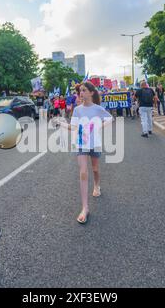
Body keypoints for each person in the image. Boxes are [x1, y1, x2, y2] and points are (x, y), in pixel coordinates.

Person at [56, 82, 112, 225]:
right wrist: (61, 123)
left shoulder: (98, 109)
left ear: (91, 93)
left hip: (95, 143)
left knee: (95, 169)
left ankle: (97, 185)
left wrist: (99, 127)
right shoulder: (77, 110)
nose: (81, 93)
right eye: (80, 91)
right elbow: (73, 127)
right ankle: (85, 207)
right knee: (83, 172)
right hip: (81, 143)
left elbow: (110, 118)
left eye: (84, 90)